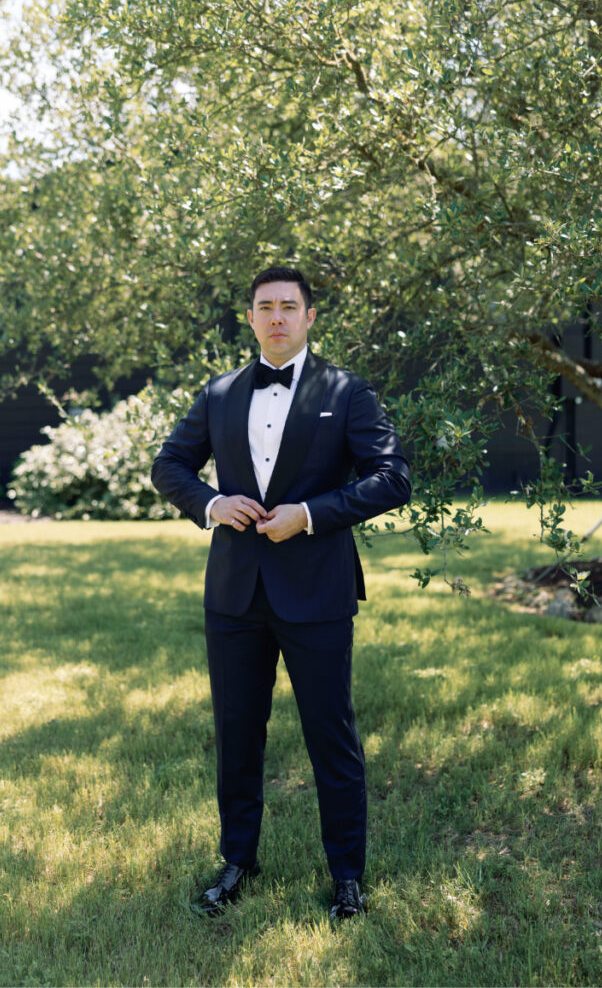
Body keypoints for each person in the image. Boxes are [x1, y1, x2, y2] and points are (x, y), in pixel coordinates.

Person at [151, 265, 411, 920]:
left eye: (287, 307)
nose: (275, 317)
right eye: (263, 306)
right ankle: (237, 861)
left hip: (317, 590)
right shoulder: (218, 392)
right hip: (234, 592)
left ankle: (346, 875)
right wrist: (211, 503)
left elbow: (390, 478)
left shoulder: (347, 392)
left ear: (308, 317)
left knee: (331, 733)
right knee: (236, 734)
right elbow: (169, 465)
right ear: (249, 318)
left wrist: (311, 513)